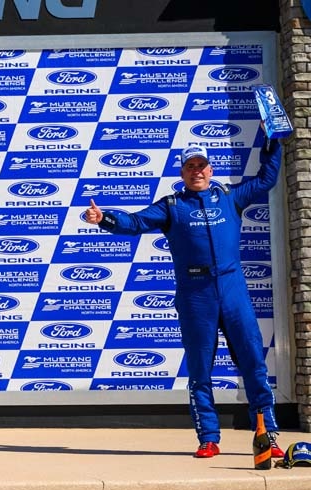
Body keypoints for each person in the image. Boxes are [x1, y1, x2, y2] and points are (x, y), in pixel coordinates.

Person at [85, 137, 284, 459]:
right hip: (195, 294)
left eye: (201, 166)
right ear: (182, 172)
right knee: (200, 369)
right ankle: (208, 438)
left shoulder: (230, 197)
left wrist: (272, 141)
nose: (197, 172)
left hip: (232, 289)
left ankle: (267, 435)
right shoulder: (172, 206)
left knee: (253, 363)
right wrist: (105, 218)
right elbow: (135, 222)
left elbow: (266, 179)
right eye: (190, 167)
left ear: (210, 168)